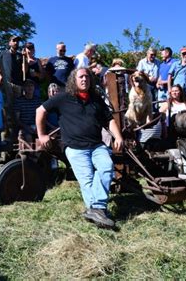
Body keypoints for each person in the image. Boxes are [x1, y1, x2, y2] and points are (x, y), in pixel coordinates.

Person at [36, 67, 124, 229]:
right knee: (87, 180)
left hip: (97, 145)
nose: (85, 79)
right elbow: (40, 111)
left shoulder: (96, 100)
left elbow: (109, 120)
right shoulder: (62, 98)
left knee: (107, 167)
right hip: (75, 148)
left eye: (87, 77)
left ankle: (95, 209)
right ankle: (99, 211)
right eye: (81, 77)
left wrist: (118, 136)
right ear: (74, 80)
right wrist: (42, 135)